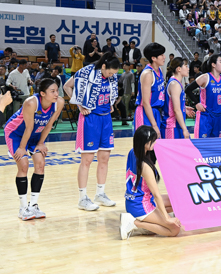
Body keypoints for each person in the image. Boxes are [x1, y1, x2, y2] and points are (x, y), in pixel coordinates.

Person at [63, 53, 120, 211]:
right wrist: (79, 105)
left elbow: (110, 92)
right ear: (103, 66)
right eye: (110, 72)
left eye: (114, 74)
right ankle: (82, 198)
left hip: (106, 118)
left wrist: (111, 103)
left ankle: (100, 194)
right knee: (87, 160)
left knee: (104, 158)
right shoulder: (86, 72)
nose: (111, 75)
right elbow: (67, 86)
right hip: (90, 118)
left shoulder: (111, 77)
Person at [5, 78, 64, 220]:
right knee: (24, 165)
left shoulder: (59, 102)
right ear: (42, 93)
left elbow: (49, 125)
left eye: (57, 90)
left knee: (40, 164)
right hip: (16, 134)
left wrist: (41, 143)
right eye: (52, 91)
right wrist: (21, 148)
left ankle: (33, 205)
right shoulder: (31, 103)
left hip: (35, 134)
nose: (56, 94)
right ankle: (23, 208)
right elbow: (28, 127)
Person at [119, 126, 182, 240]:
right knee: (174, 230)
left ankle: (153, 223)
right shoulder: (145, 166)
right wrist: (166, 219)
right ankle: (135, 223)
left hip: (135, 200)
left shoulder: (133, 152)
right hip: (140, 206)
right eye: (153, 140)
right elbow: (157, 195)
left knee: (176, 201)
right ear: (145, 143)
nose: (155, 142)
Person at [185, 54, 221, 138]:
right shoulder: (205, 77)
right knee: (202, 143)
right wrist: (197, 103)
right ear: (213, 64)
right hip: (206, 115)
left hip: (218, 116)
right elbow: (188, 89)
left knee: (217, 144)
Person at [133, 43, 166, 138]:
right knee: (145, 144)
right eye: (161, 55)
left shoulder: (160, 70)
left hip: (155, 111)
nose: (164, 57)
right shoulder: (148, 74)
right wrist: (154, 125)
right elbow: (146, 102)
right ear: (153, 58)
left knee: (156, 143)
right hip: (145, 112)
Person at [163, 58, 194, 139]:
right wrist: (185, 129)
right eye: (186, 66)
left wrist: (183, 108)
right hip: (171, 126)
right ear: (179, 69)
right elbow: (176, 110)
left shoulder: (176, 82)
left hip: (176, 125)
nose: (188, 69)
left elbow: (172, 104)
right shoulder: (175, 84)